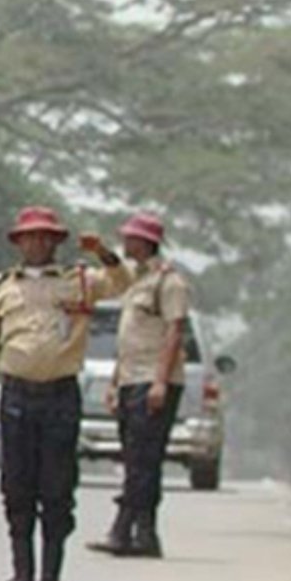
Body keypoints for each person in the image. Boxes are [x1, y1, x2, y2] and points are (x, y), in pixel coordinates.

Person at [0, 206, 132, 581]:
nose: (37, 243)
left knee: (57, 487)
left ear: (56, 241)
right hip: (17, 395)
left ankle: (51, 577)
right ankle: (21, 575)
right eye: (29, 236)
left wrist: (102, 250)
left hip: (59, 397)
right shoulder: (4, 286)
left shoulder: (81, 280)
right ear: (18, 242)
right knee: (17, 487)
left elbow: (123, 282)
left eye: (44, 236)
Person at [86, 212, 190, 559]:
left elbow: (175, 333)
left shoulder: (169, 282)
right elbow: (127, 339)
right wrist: (115, 383)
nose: (125, 243)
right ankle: (144, 534)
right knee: (136, 458)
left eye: (130, 238)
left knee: (144, 458)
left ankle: (123, 529)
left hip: (154, 380)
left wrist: (160, 381)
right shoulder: (137, 281)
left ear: (145, 242)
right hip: (132, 377)